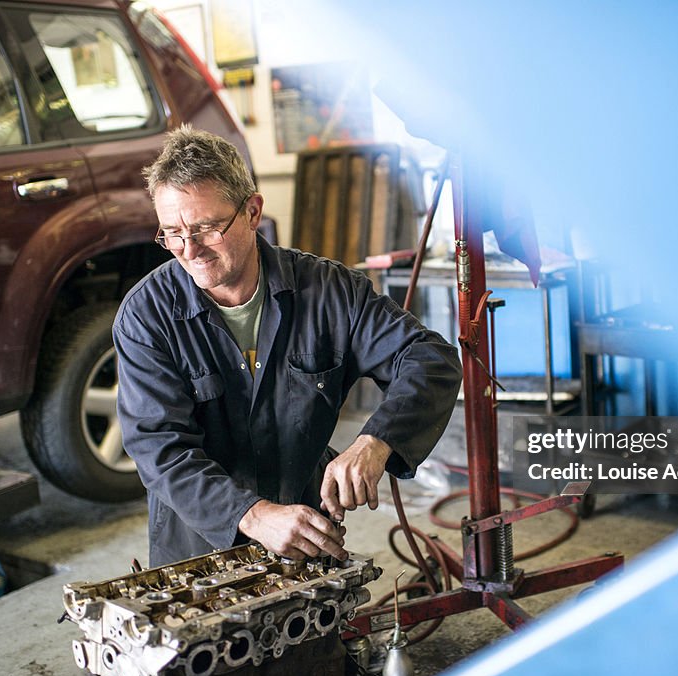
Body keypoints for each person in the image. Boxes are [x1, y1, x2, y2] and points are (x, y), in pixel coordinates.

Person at [114, 126, 462, 567]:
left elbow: (430, 360)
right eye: (172, 233)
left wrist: (376, 441)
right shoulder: (146, 316)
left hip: (309, 533)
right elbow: (160, 448)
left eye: (205, 228)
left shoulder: (330, 292)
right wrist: (252, 514)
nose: (189, 250)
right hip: (198, 549)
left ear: (253, 211)